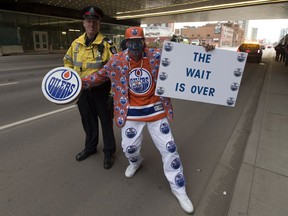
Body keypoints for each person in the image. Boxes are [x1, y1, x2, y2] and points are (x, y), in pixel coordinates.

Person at [82, 26, 214, 214]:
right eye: (131, 42)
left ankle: (179, 190)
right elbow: (99, 76)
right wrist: (81, 82)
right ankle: (135, 162)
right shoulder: (117, 60)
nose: (135, 46)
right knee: (129, 148)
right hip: (130, 112)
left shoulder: (156, 56)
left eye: (138, 42)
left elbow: (186, 60)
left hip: (156, 110)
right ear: (126, 43)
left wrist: (203, 51)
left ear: (144, 41)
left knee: (169, 149)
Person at [63, 5, 117, 169]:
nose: (91, 24)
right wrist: (71, 83)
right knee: (88, 121)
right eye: (88, 21)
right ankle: (90, 147)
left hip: (102, 91)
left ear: (98, 24)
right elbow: (68, 63)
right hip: (83, 91)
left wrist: (112, 94)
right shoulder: (76, 44)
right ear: (84, 23)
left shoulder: (107, 44)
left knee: (106, 123)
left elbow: (116, 71)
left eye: (94, 21)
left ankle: (109, 152)